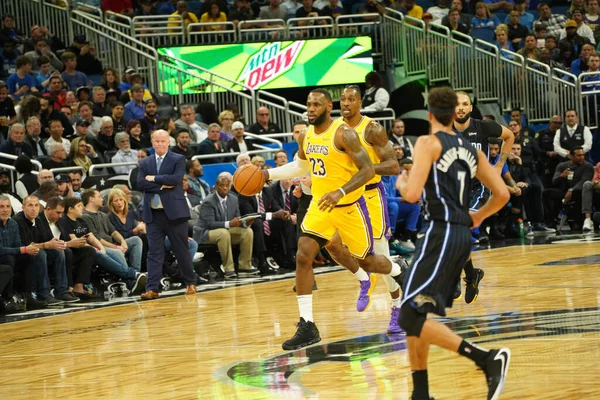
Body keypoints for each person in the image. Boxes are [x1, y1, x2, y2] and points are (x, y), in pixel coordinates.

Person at [262, 89, 405, 350]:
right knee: (304, 254)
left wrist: (340, 191)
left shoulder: (347, 133)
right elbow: (302, 167)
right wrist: (266, 175)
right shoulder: (306, 135)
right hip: (321, 205)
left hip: (351, 204)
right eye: (308, 104)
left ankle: (398, 271)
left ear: (328, 107)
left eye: (316, 104)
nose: (311, 108)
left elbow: (368, 170)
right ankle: (307, 325)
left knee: (370, 259)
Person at [395, 86, 511, 400]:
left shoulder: (427, 142)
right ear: (451, 114)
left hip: (439, 233)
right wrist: (478, 217)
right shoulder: (469, 149)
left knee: (408, 315)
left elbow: (412, 194)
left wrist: (402, 181)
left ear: (430, 115)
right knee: (417, 315)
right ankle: (421, 392)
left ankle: (486, 359)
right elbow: (501, 194)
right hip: (460, 235)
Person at [321, 85, 405, 334]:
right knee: (330, 243)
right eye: (342, 99)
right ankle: (362, 277)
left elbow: (392, 166)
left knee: (379, 255)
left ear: (360, 103)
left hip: (369, 196)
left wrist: (366, 169)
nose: (346, 103)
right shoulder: (336, 130)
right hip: (344, 199)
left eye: (351, 99)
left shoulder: (372, 129)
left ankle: (397, 307)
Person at [452, 91, 514, 302]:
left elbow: (509, 137)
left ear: (470, 108)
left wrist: (498, 166)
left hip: (479, 187)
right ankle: (471, 274)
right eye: (456, 104)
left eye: (465, 104)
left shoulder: (483, 127)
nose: (460, 107)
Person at [137, 129, 198, 300]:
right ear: (152, 142)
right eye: (157, 141)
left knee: (181, 250)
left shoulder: (178, 159)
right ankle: (152, 288)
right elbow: (140, 183)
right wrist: (162, 184)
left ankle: (190, 283)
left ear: (168, 143)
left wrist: (153, 179)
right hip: (153, 214)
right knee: (154, 252)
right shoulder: (145, 162)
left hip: (175, 213)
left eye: (163, 141)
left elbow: (176, 179)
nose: (160, 144)